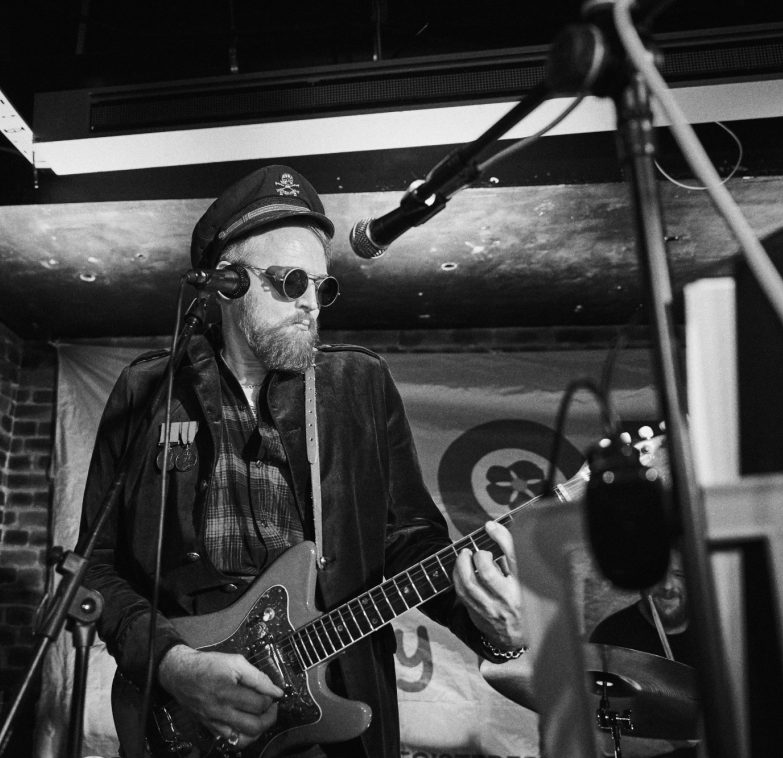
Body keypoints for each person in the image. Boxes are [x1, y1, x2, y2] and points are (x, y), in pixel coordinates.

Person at [78, 165, 526, 758]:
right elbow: (94, 570)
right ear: (229, 284)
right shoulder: (147, 392)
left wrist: (492, 630)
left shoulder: (358, 384)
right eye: (292, 282)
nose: (312, 303)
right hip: (185, 717)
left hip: (333, 708)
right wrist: (171, 664)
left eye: (323, 286)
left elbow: (412, 542)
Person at [590, 551, 699, 758]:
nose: (667, 586)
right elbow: (604, 727)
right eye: (657, 574)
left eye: (680, 575)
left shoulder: (718, 628)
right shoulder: (610, 637)